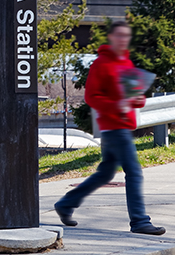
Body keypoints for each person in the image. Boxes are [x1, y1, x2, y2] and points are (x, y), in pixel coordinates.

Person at [54, 20, 166, 235]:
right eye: (120, 36)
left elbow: (138, 100)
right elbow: (91, 97)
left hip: (124, 125)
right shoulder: (101, 64)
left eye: (127, 36)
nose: (124, 40)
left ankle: (66, 204)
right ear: (112, 38)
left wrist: (136, 98)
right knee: (134, 172)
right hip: (113, 127)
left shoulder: (127, 64)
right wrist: (117, 104)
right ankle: (140, 221)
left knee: (105, 174)